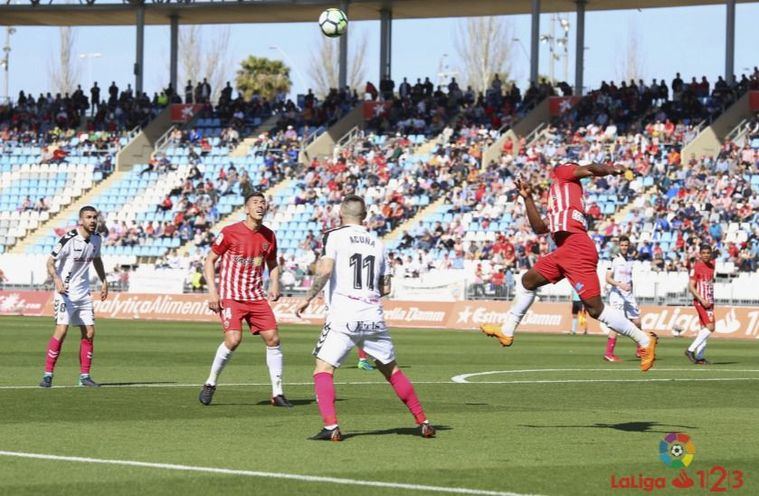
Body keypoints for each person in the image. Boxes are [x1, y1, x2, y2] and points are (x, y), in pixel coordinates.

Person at [479, 163, 658, 372]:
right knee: (528, 281)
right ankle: (507, 330)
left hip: (577, 248)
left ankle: (644, 340)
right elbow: (539, 228)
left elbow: (591, 169)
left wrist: (611, 169)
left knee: (595, 309)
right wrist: (527, 198)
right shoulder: (558, 200)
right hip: (565, 250)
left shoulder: (564, 174)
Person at [295, 195, 435, 441]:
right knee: (392, 371)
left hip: (344, 314)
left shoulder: (334, 235)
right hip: (373, 315)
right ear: (365, 216)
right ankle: (422, 420)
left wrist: (308, 297)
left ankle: (331, 427)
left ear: (340, 212)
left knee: (323, 369)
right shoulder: (377, 243)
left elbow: (326, 270)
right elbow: (386, 288)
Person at [198, 191, 291, 407]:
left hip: (256, 296)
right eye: (255, 203)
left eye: (263, 203)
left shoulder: (269, 235)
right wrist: (213, 291)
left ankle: (277, 393)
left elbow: (272, 262)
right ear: (246, 209)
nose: (260, 206)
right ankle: (210, 383)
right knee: (233, 340)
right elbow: (210, 260)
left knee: (273, 339)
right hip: (231, 296)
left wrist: (274, 282)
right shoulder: (230, 232)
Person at [39, 206, 108, 388]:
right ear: (81, 220)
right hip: (65, 293)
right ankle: (48, 375)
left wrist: (104, 280)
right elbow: (50, 261)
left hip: (83, 293)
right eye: (88, 217)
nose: (93, 220)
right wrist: (57, 279)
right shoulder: (69, 239)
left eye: (95, 217)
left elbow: (97, 259)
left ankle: (84, 377)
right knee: (61, 331)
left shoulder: (96, 239)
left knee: (90, 332)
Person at [604, 235, 643, 362]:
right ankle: (609, 353)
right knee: (616, 324)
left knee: (637, 322)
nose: (624, 247)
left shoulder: (631, 260)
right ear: (619, 246)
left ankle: (639, 350)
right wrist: (620, 284)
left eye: (626, 245)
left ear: (629, 246)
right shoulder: (614, 260)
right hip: (617, 295)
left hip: (629, 295)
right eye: (622, 245)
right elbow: (608, 278)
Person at [685, 245, 715, 365]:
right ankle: (690, 350)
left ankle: (700, 357)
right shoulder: (696, 267)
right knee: (711, 327)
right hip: (701, 302)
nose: (706, 255)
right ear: (700, 254)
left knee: (704, 329)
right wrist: (701, 299)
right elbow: (691, 286)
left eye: (708, 252)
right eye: (704, 253)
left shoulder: (712, 266)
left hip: (709, 301)